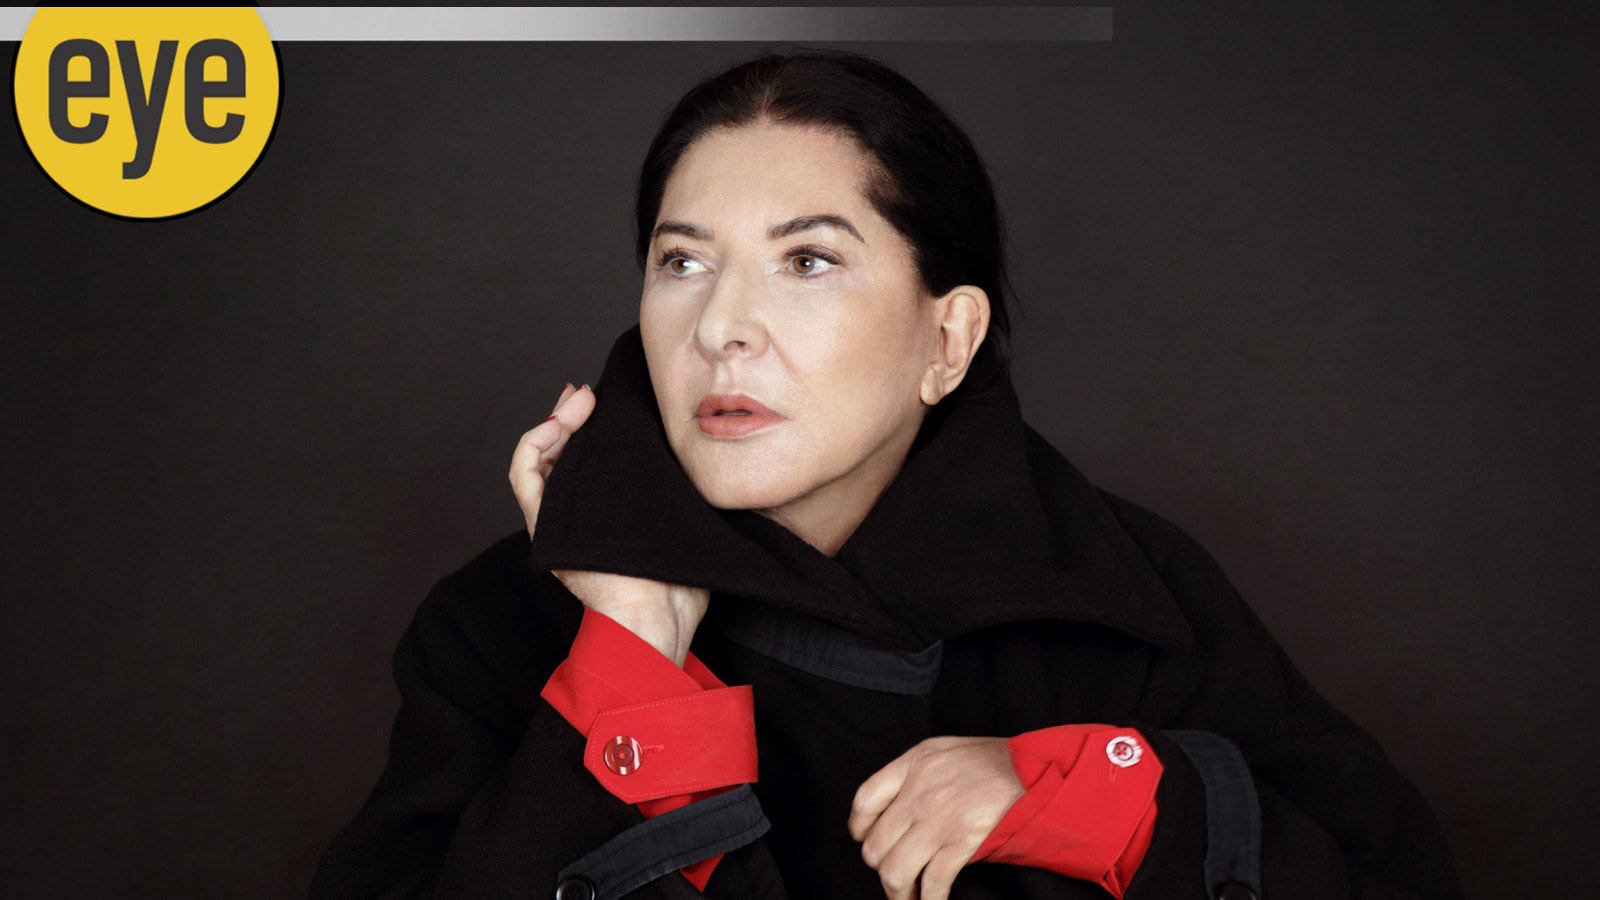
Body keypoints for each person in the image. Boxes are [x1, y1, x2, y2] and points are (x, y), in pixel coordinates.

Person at [310, 49, 1462, 900]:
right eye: (682, 262)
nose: (721, 327)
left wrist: (1088, 796)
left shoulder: (1126, 600)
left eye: (807, 260)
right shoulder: (500, 622)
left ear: (946, 339)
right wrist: (631, 661)